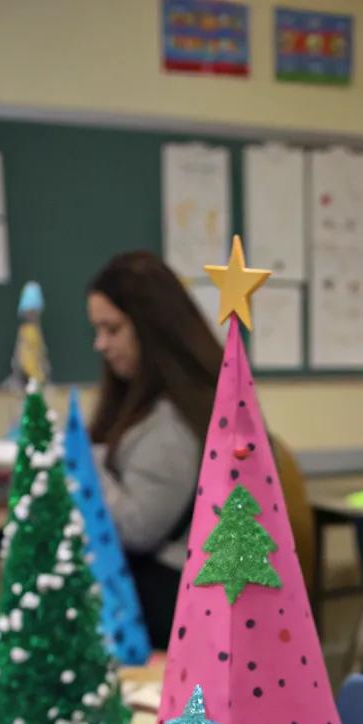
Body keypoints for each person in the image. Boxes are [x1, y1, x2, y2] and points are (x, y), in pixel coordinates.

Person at [86, 251, 223, 647]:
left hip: (172, 615)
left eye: (112, 329)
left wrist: (87, 463)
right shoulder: (146, 405)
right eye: (97, 330)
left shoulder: (174, 424)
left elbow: (139, 528)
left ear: (151, 328)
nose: (101, 344)